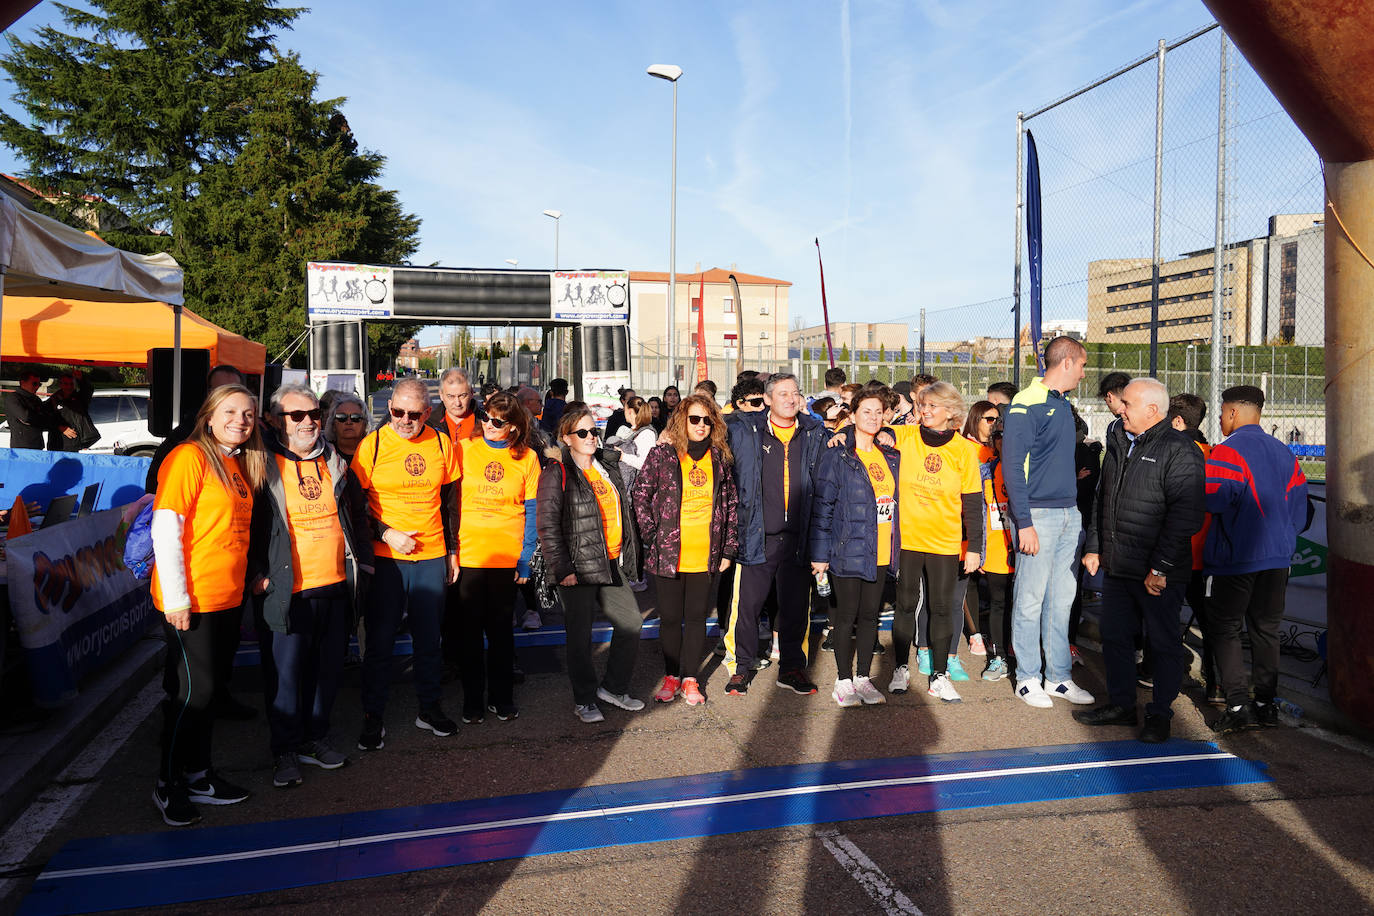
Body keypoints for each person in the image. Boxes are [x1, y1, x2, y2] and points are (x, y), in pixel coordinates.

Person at [149, 384, 267, 825]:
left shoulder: (237, 464)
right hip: (192, 601)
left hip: (227, 598)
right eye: (231, 411)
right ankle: (168, 782)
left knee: (209, 692)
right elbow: (166, 528)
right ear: (210, 416)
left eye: (249, 414)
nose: (241, 420)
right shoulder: (189, 456)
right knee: (190, 695)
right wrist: (177, 598)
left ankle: (199, 774)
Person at [249, 384, 373, 788]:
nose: (308, 422)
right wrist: (256, 574)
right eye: (296, 415)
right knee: (284, 677)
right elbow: (245, 527)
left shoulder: (334, 460)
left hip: (335, 586)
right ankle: (284, 748)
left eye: (314, 414)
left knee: (326, 672)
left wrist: (364, 565)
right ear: (274, 421)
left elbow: (357, 512)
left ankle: (315, 737)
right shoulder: (260, 466)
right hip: (288, 590)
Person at [1075, 379, 1204, 743]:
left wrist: (1160, 568)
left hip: (1156, 572)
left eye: (1128, 403)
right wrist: (1096, 546)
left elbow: (1186, 516)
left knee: (1162, 643)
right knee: (1116, 637)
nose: (1120, 408)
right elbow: (1104, 497)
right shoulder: (1118, 439)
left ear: (1152, 410)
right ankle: (1121, 704)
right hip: (1119, 566)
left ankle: (1161, 713)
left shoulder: (1181, 450)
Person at [351, 378, 461, 750]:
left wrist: (452, 550)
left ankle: (429, 708)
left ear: (428, 413)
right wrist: (385, 533)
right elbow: (354, 506)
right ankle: (373, 716)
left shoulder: (443, 442)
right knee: (380, 642)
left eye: (414, 414)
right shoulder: (374, 444)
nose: (404, 420)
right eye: (397, 412)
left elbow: (450, 502)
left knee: (430, 640)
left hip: (430, 557)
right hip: (386, 562)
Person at [1205, 385, 1310, 734]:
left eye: (1222, 413)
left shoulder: (1226, 451)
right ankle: (1266, 703)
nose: (1220, 419)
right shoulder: (1285, 452)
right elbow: (1300, 510)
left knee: (1226, 627)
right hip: (1278, 555)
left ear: (1233, 412)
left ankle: (1237, 705)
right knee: (1267, 630)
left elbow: (1214, 500)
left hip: (1237, 556)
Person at [1002, 336, 1095, 709]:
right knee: (1030, 599)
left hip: (1068, 513)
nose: (1085, 373)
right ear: (1068, 362)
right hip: (1036, 515)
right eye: (1083, 365)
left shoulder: (1061, 403)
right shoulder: (1026, 403)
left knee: (1062, 600)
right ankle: (1027, 677)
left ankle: (1058, 676)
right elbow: (1012, 466)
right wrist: (1024, 522)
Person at [536, 407, 645, 723]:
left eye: (593, 431)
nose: (590, 437)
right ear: (567, 438)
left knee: (632, 623)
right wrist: (562, 568)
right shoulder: (557, 472)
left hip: (611, 562)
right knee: (580, 637)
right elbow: (547, 525)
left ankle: (612, 687)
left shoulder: (605, 467)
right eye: (582, 432)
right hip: (578, 566)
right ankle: (584, 698)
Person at [723, 372, 827, 696]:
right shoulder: (743, 429)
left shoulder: (814, 432)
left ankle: (792, 668)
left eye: (795, 393)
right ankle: (742, 667)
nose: (790, 399)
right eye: (782, 394)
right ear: (767, 399)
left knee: (796, 608)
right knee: (749, 608)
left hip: (798, 538)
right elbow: (711, 429)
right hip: (758, 535)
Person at [633, 394, 738, 706]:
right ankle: (671, 676)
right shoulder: (663, 454)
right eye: (695, 419)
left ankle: (690, 678)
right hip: (668, 555)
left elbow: (731, 506)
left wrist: (728, 550)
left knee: (695, 618)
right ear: (682, 420)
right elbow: (640, 494)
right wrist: (653, 536)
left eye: (707, 420)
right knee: (669, 618)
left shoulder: (719, 459)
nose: (702, 425)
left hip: (706, 554)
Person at [883, 381, 983, 702]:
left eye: (932, 406)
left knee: (942, 609)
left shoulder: (964, 450)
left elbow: (971, 503)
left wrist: (975, 547)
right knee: (906, 606)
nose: (924, 411)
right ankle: (900, 668)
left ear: (950, 412)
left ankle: (939, 676)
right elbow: (867, 429)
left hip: (945, 543)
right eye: (922, 405)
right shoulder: (905, 435)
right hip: (909, 540)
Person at [451, 391, 541, 724]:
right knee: (469, 634)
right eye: (486, 417)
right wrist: (452, 551)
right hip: (470, 554)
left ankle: (501, 698)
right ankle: (473, 699)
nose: (488, 424)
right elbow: (451, 502)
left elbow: (532, 510)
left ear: (514, 427)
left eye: (498, 421)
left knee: (502, 633)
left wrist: (526, 556)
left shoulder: (528, 458)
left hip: (507, 557)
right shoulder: (464, 450)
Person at [811, 386, 900, 707]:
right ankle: (843, 680)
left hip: (880, 549)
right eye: (867, 412)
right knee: (845, 618)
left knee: (869, 617)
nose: (874, 418)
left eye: (879, 412)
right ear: (853, 415)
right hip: (847, 548)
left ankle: (863, 676)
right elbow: (823, 507)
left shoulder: (890, 454)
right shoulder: (838, 454)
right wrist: (819, 556)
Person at [1168, 392, 1220, 703]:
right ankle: (1216, 684)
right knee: (1211, 622)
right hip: (1207, 557)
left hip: (1176, 553)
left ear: (1176, 420)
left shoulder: (1173, 452)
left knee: (1162, 616)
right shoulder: (1214, 454)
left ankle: (1156, 673)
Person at [146, 365, 248, 492]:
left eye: (233, 391)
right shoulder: (185, 440)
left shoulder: (251, 435)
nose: (227, 397)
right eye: (220, 391)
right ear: (209, 394)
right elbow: (158, 488)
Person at [4, 369, 66, 450]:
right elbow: (26, 417)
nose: (37, 387)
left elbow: (42, 416)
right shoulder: (13, 398)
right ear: (23, 382)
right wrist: (42, 418)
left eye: (39, 384)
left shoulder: (36, 399)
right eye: (34, 384)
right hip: (22, 446)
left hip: (37, 444)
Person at [47, 368, 97, 451]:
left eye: (71, 384)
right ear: (60, 384)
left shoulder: (79, 399)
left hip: (73, 444)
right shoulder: (53, 400)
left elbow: (88, 389)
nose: (69, 387)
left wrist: (81, 379)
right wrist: (60, 427)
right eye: (66, 384)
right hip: (56, 443)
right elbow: (45, 419)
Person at [433, 368, 479, 443]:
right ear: (441, 395)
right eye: (451, 396)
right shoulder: (429, 424)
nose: (457, 403)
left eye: (462, 396)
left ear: (471, 393)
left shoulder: (486, 422)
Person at [323, 394, 369, 463]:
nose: (348, 422)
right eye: (341, 417)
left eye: (355, 417)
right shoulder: (323, 454)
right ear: (333, 424)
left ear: (365, 424)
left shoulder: (376, 452)